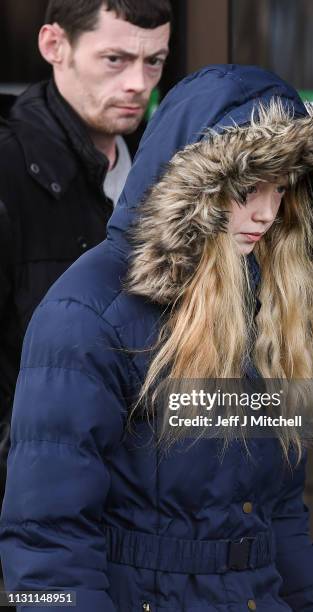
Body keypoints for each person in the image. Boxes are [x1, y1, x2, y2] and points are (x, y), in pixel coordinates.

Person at [0, 65, 313, 611]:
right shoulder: (86, 313)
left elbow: (281, 522)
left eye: (283, 189)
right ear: (192, 186)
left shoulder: (263, 308)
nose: (268, 213)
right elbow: (45, 549)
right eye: (249, 187)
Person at [0, 0, 172, 497]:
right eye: (115, 60)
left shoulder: (160, 179)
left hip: (129, 505)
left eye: (154, 61)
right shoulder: (9, 174)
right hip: (32, 505)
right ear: (55, 46)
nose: (139, 83)